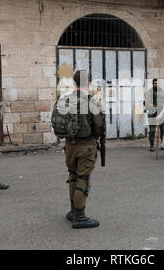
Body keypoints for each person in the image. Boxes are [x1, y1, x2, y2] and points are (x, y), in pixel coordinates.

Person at [60, 70, 103, 229]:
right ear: (88, 82)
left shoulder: (66, 99)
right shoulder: (90, 101)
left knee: (73, 176)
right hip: (86, 145)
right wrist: (96, 136)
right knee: (83, 179)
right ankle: (80, 216)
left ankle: (73, 211)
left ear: (75, 82)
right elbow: (98, 125)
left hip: (70, 145)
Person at [144, 78, 164, 151]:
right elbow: (146, 103)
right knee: (152, 130)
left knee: (163, 129)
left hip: (160, 112)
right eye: (155, 83)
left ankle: (163, 144)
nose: (156, 84)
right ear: (153, 84)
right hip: (152, 113)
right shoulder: (149, 92)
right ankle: (152, 144)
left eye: (157, 83)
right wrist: (154, 106)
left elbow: (163, 101)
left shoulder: (161, 92)